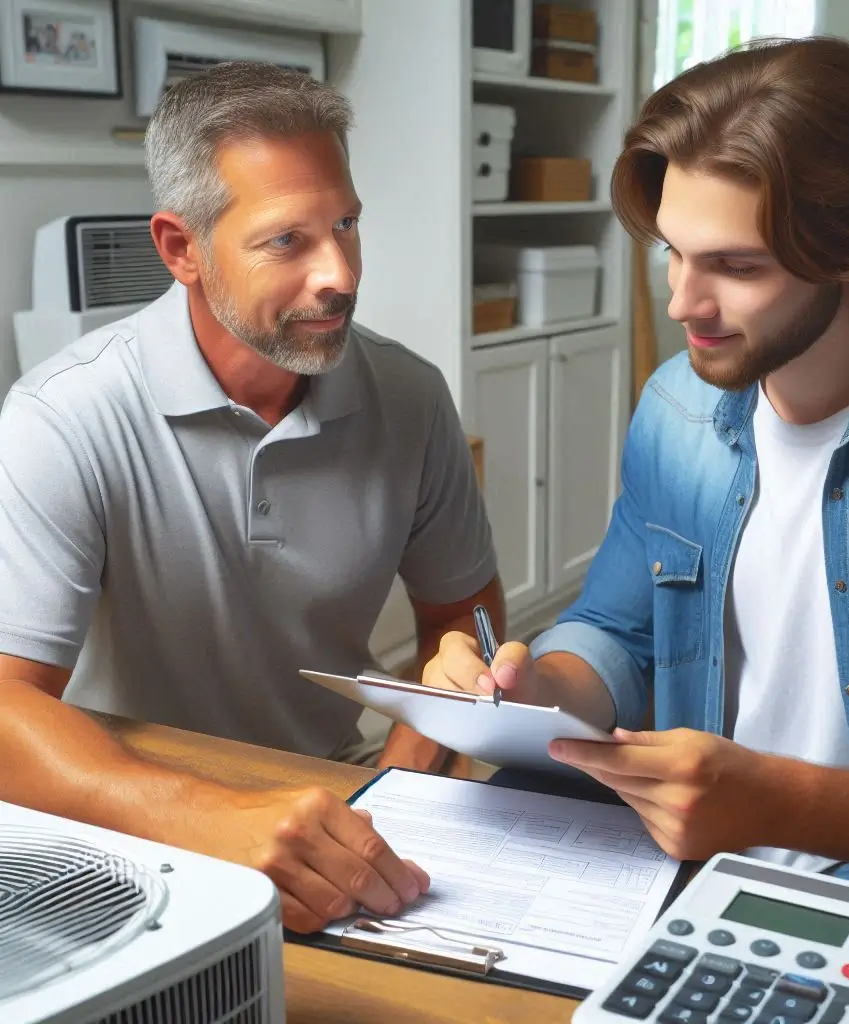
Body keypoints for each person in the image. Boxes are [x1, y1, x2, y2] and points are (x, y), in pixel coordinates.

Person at [424, 36, 849, 937]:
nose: (682, 303)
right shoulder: (676, 409)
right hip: (682, 883)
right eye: (674, 251)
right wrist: (529, 688)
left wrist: (773, 803)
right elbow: (618, 633)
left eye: (737, 267)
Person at [0, 62, 504, 933]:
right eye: (287, 241)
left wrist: (409, 769)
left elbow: (466, 615)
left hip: (336, 791)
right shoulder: (62, 418)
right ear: (181, 249)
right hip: (123, 815)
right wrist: (208, 817)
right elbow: (8, 707)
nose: (339, 272)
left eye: (346, 225)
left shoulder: (412, 396)